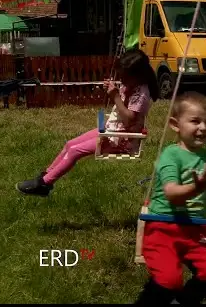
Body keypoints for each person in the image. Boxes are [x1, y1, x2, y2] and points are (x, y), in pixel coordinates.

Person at [136, 91, 206, 305]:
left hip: (195, 231)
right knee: (170, 280)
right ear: (175, 125)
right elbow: (172, 194)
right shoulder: (171, 155)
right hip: (163, 228)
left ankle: (182, 301)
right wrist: (196, 187)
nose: (203, 127)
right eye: (195, 121)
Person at [16, 49, 160, 197]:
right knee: (70, 144)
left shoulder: (141, 94)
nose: (121, 80)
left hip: (122, 139)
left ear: (137, 76)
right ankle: (45, 176)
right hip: (113, 130)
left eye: (124, 77)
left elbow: (130, 119)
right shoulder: (131, 84)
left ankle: (45, 184)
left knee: (74, 151)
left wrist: (115, 96)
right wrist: (113, 90)